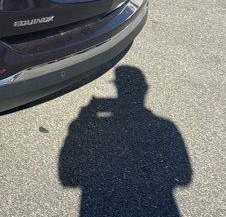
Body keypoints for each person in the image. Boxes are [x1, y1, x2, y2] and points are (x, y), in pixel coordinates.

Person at [58, 65, 192, 217]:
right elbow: (184, 177)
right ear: (145, 88)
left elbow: (67, 178)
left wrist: (83, 120)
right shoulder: (166, 126)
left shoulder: (165, 126)